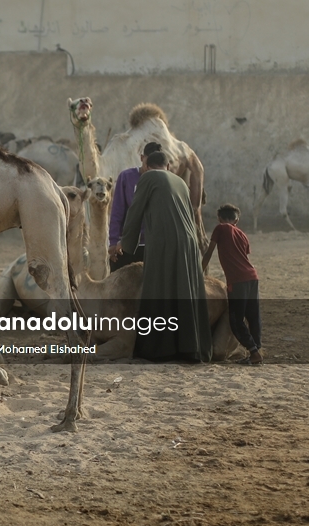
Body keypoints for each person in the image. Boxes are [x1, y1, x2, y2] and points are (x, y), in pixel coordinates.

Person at [120, 151, 212, 362]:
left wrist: (126, 245)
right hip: (188, 243)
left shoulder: (148, 178)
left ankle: (159, 349)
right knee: (185, 290)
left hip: (165, 241)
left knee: (159, 288)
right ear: (168, 166)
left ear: (147, 165)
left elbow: (135, 210)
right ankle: (192, 348)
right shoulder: (179, 181)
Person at [202, 204, 263, 365]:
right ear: (237, 219)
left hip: (238, 280)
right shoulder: (242, 234)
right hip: (252, 276)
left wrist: (200, 272)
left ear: (219, 218)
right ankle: (257, 351)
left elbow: (209, 252)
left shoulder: (220, 228)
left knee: (236, 319)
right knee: (253, 316)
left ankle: (254, 352)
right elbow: (244, 256)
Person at [108, 141, 163, 271]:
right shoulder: (127, 178)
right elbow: (117, 211)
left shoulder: (163, 181)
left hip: (154, 244)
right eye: (147, 164)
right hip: (127, 245)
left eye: (154, 166)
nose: (150, 169)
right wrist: (113, 241)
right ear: (142, 158)